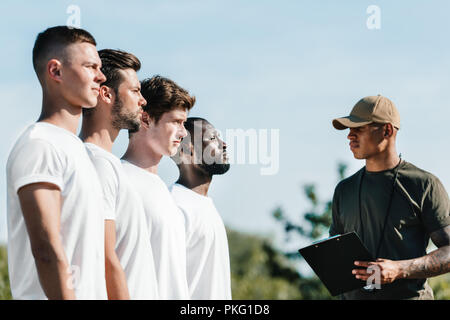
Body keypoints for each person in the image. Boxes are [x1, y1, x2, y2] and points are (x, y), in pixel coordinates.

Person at [6, 26, 108, 299]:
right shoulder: (40, 144)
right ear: (56, 71)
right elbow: (46, 249)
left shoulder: (76, 149)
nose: (101, 76)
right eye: (90, 66)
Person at [330, 95, 450, 300]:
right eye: (349, 130)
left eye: (358, 128)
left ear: (387, 130)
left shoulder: (424, 184)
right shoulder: (344, 189)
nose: (350, 136)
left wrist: (399, 269)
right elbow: (335, 251)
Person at [80, 49, 158, 300]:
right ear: (106, 94)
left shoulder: (107, 163)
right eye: (135, 91)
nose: (142, 100)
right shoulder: (96, 163)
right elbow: (104, 258)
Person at [121, 75, 195, 299]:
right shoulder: (120, 180)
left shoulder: (164, 191)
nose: (183, 133)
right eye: (175, 122)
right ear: (145, 119)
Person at [170, 117, 232, 300]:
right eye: (213, 139)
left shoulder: (206, 205)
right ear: (187, 150)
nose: (224, 144)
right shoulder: (174, 204)